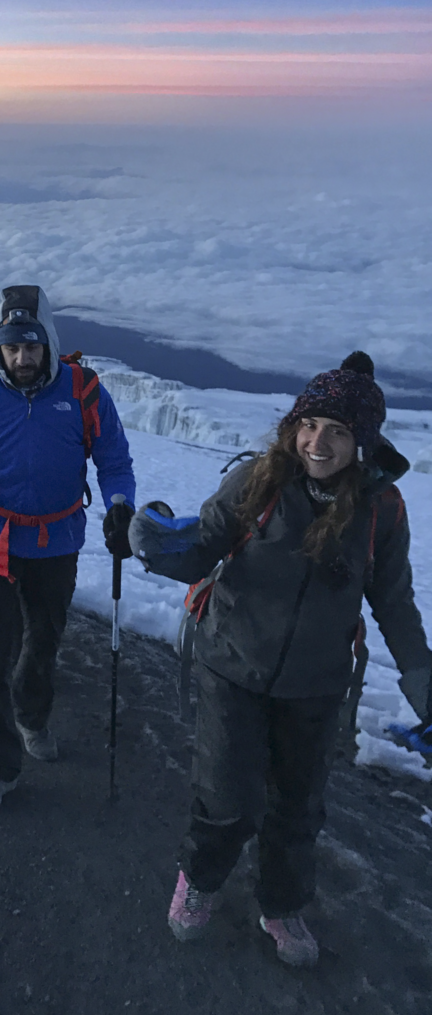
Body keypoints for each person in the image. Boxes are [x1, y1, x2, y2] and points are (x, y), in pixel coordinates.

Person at [129, 351, 432, 968]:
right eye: (310, 425)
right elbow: (202, 545)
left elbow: (394, 601)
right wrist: (153, 539)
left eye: (339, 432)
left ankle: (282, 903)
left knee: (299, 806)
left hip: (317, 685)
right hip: (232, 664)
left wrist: (422, 679)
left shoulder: (382, 511)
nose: (318, 442)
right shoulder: (258, 483)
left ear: (363, 443)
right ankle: (202, 880)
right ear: (295, 425)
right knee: (228, 795)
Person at [0, 285, 136, 807]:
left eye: (32, 346)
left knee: (43, 641)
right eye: (11, 347)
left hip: (57, 542)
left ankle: (31, 714)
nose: (21, 358)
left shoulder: (83, 392)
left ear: (49, 343)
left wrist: (121, 505)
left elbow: (114, 459)